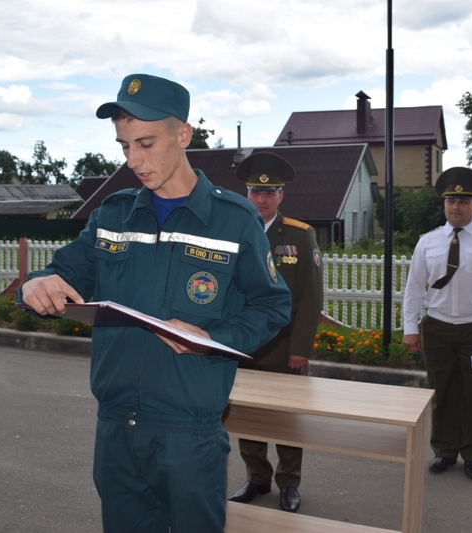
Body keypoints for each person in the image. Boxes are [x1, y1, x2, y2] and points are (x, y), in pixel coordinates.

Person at [17, 74, 291, 533]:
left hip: (189, 430)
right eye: (124, 146)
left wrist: (215, 339)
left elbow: (272, 305)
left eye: (146, 143)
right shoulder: (112, 214)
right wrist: (36, 283)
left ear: (183, 134)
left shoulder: (233, 219)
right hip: (115, 428)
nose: (134, 161)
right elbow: (62, 272)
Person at [402, 167, 472, 481]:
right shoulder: (427, 242)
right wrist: (411, 328)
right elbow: (414, 288)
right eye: (451, 200)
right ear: (444, 204)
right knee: (442, 392)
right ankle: (444, 451)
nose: (457, 206)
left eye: (464, 200)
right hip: (437, 327)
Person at [228, 152, 324, 513]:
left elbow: (312, 297)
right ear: (247, 194)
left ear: (281, 196)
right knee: (247, 417)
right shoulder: (235, 232)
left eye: (270, 193)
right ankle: (256, 478)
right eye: (255, 191)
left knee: (286, 419)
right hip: (244, 344)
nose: (262, 199)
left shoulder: (300, 235)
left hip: (284, 346)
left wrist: (300, 347)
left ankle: (288, 483)